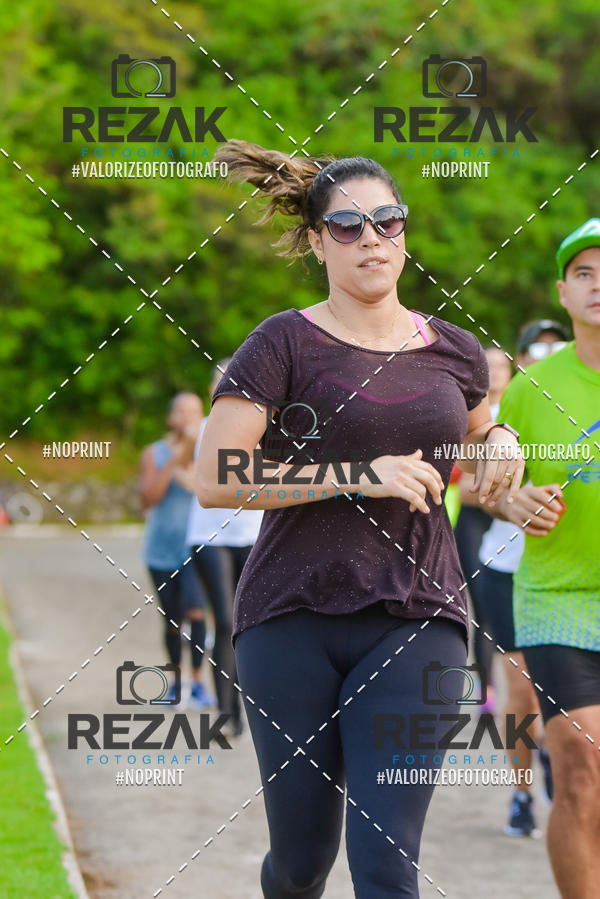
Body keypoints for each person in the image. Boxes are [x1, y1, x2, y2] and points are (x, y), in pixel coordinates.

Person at [196, 140, 524, 898]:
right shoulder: (282, 341)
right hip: (290, 616)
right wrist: (356, 476)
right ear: (316, 242)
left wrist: (502, 441)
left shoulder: (457, 350)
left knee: (384, 860)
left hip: (421, 615)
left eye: (387, 220)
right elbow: (215, 478)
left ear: (404, 233)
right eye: (347, 227)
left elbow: (478, 443)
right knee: (302, 861)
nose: (370, 238)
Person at [488, 219, 600, 898]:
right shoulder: (531, 389)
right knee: (582, 764)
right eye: (584, 273)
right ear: (562, 292)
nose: (599, 286)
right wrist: (515, 503)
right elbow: (489, 486)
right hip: (556, 596)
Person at [478, 321, 570, 837]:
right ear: (521, 358)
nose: (548, 354)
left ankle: (562, 765)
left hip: (570, 576)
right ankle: (521, 792)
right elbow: (474, 489)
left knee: (562, 694)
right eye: (537, 347)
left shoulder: (582, 405)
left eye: (556, 346)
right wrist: (513, 499)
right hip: (508, 569)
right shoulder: (499, 415)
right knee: (524, 692)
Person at [186, 359, 264, 737]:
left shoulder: (263, 428)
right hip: (209, 538)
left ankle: (250, 711)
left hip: (251, 535)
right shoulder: (202, 430)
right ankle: (228, 716)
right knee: (228, 621)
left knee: (253, 626)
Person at [140, 392, 216, 709]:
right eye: (183, 412)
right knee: (172, 621)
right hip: (160, 550)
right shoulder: (153, 453)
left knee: (198, 613)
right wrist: (173, 460)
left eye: (196, 412)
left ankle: (197, 683)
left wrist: (191, 456)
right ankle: (175, 682)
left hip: (196, 550)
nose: (189, 418)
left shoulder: (207, 453)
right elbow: (148, 499)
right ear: (171, 417)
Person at [454, 346, 513, 714]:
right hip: (475, 520)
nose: (494, 372)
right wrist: (505, 491)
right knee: (480, 611)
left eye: (500, 366)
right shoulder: (466, 417)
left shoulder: (523, 408)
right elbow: (464, 487)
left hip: (513, 523)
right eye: (487, 367)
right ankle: (480, 688)